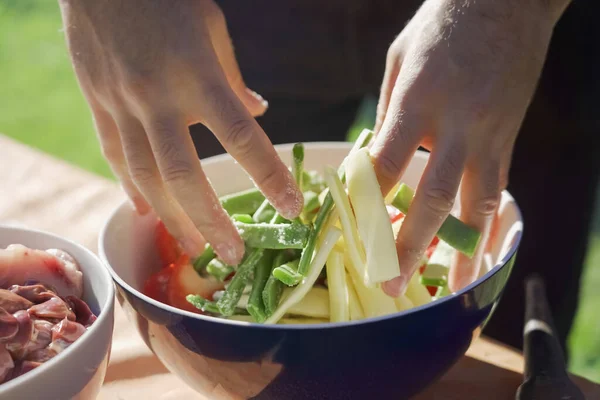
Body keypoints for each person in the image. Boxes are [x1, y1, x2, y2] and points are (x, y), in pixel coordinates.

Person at [58, 0, 598, 352]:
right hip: (239, 21)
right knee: (211, 262)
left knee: (507, 335)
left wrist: (505, 15)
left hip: (504, 30)